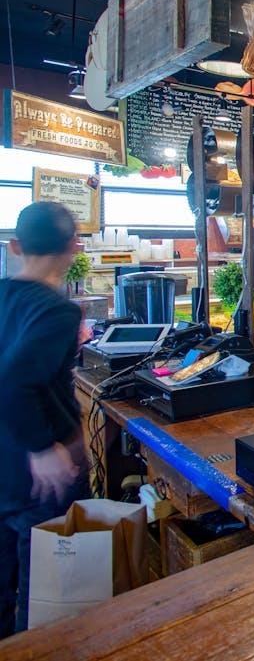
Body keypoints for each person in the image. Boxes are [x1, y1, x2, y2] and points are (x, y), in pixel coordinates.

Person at [0, 203, 90, 637]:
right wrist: (43, 448)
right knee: (50, 593)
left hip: (4, 468)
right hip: (44, 476)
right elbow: (13, 380)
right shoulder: (58, 311)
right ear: (75, 246)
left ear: (15, 246)